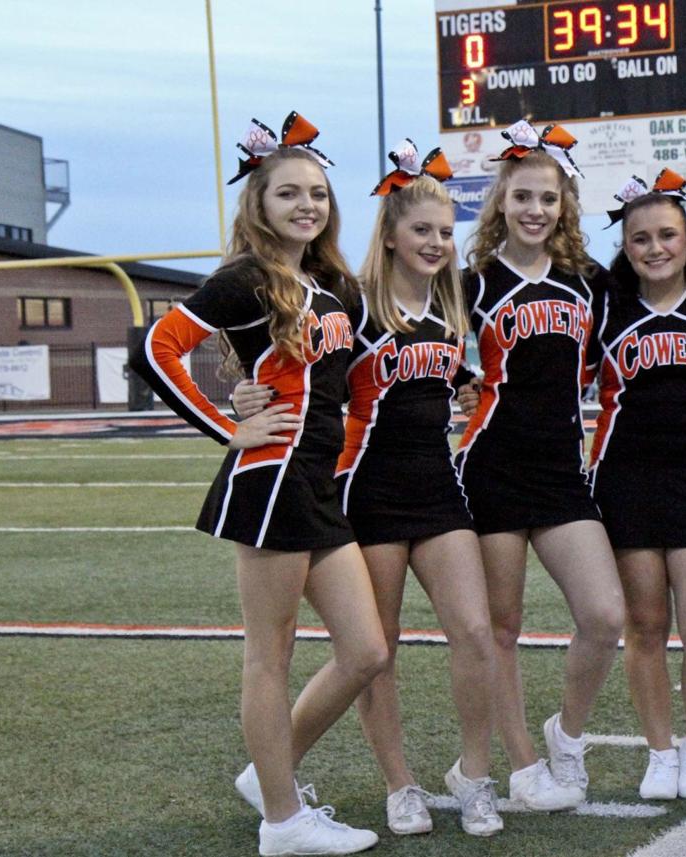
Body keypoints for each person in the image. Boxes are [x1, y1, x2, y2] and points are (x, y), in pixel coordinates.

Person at [129, 113, 384, 855]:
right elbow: (155, 348)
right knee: (269, 656)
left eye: (318, 193)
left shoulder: (330, 286)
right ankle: (282, 821)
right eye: (289, 194)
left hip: (319, 486)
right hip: (270, 480)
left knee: (366, 650)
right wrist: (226, 425)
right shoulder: (245, 279)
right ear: (259, 204)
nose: (307, 205)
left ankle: (266, 776)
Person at [234, 140, 502, 836]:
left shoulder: (454, 306)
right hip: (367, 492)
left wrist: (463, 389)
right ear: (389, 234)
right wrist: (242, 395)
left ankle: (474, 773)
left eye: (446, 232)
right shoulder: (353, 305)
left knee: (474, 631)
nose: (437, 243)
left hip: (439, 490)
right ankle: (399, 783)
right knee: (377, 647)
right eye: (421, 230)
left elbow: (442, 382)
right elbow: (299, 366)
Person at [455, 119, 625, 810]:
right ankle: (523, 764)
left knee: (604, 614)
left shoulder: (590, 283)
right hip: (491, 466)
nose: (534, 210)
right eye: (522, 196)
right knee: (501, 627)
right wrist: (458, 384)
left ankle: (567, 732)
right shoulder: (472, 283)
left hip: (560, 474)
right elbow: (424, 346)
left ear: (564, 207)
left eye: (547, 199)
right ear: (501, 203)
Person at [587, 170, 686, 800]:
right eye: (640, 238)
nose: (654, 248)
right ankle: (660, 751)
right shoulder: (607, 306)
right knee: (645, 627)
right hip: (625, 481)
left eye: (667, 235)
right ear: (626, 246)